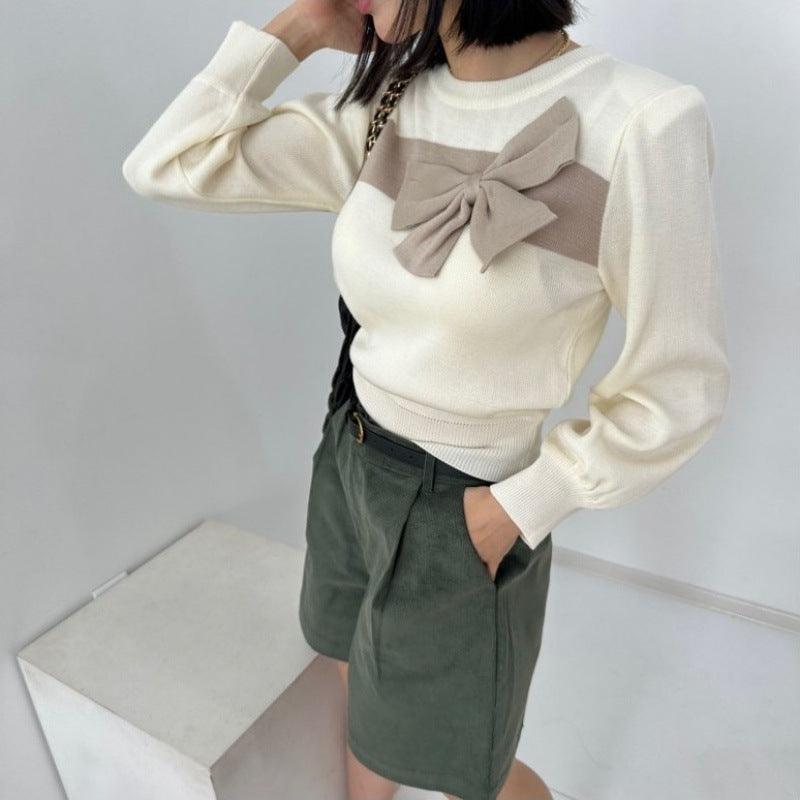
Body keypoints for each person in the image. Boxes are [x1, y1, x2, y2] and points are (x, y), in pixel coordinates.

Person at [121, 1, 731, 798]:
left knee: (469, 774)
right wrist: (300, 29)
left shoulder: (640, 123)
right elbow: (168, 162)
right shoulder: (389, 106)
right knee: (360, 686)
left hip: (465, 510)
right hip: (350, 458)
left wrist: (518, 508)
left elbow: (679, 384)